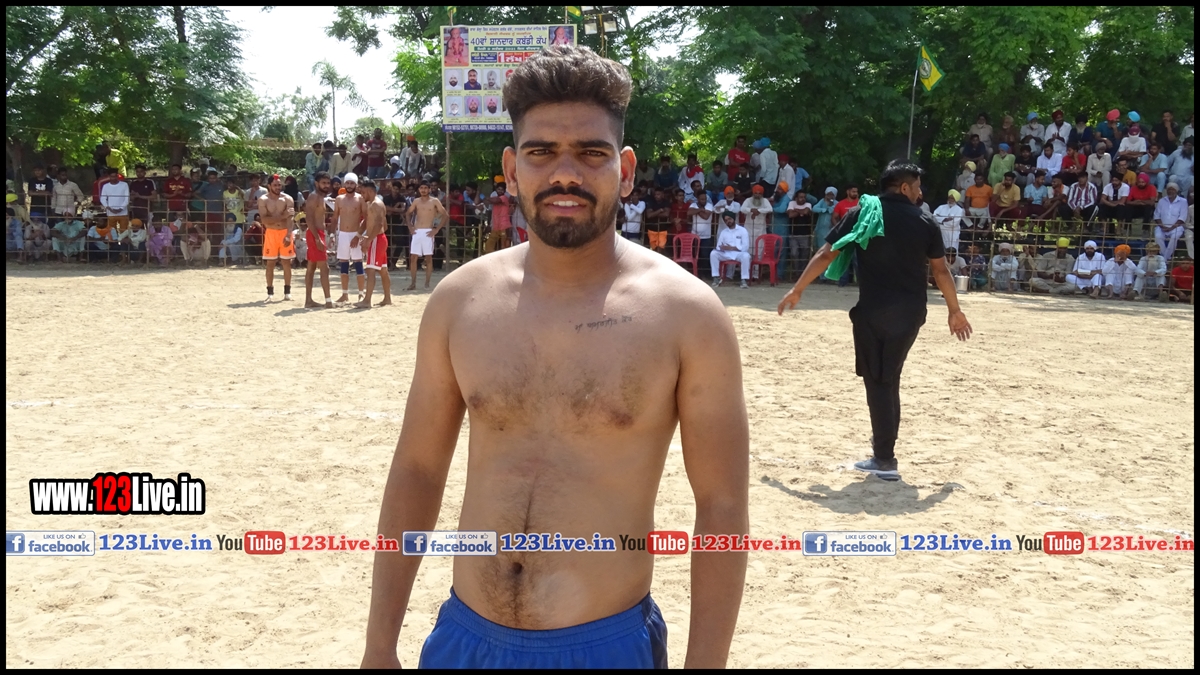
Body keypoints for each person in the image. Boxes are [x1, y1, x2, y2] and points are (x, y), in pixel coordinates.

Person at [361, 45, 748, 670]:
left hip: (605, 647)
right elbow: (417, 471)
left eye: (591, 153)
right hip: (464, 641)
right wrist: (379, 645)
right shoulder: (460, 301)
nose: (565, 174)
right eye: (541, 152)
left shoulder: (687, 315)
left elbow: (722, 506)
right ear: (512, 169)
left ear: (624, 169)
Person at [778, 159, 972, 481]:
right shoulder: (925, 221)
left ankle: (884, 459)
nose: (920, 193)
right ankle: (884, 452)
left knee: (879, 382)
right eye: (918, 187)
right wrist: (954, 310)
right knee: (890, 378)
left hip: (874, 313)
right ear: (904, 187)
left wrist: (798, 289)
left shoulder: (862, 214)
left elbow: (827, 254)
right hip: (911, 314)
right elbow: (940, 271)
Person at [354, 178, 392, 308]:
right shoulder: (372, 204)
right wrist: (363, 235)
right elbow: (379, 224)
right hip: (378, 238)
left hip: (376, 239)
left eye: (363, 192)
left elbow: (380, 224)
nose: (362, 195)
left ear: (370, 191)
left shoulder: (377, 204)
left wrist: (369, 239)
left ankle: (367, 300)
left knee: (370, 270)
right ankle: (387, 298)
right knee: (382, 270)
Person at [258, 174, 297, 302]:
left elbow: (290, 218)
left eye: (279, 185)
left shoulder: (287, 199)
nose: (278, 187)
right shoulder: (263, 199)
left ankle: (287, 292)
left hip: (285, 231)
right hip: (271, 233)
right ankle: (270, 293)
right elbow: (264, 220)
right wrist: (282, 216)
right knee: (270, 263)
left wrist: (288, 234)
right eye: (275, 185)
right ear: (269, 186)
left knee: (286, 262)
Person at [332, 172, 367, 302]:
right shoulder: (339, 199)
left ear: (356, 185)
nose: (349, 185)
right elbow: (335, 217)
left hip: (355, 233)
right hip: (342, 234)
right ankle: (344, 294)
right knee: (343, 264)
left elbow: (366, 219)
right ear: (344, 184)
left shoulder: (360, 199)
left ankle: (361, 293)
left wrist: (358, 235)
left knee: (358, 263)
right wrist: (332, 234)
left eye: (352, 183)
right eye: (347, 183)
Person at [405, 181, 446, 290]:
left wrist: (436, 229)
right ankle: (413, 283)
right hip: (417, 231)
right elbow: (408, 213)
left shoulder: (434, 201)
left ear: (429, 189)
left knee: (428, 258)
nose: (423, 190)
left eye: (425, 188)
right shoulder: (416, 201)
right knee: (413, 257)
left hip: (428, 231)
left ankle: (427, 283)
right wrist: (410, 227)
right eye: (421, 188)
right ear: (419, 189)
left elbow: (445, 215)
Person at [710, 212, 751, 288]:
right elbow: (718, 246)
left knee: (746, 256)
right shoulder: (723, 232)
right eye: (726, 220)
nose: (728, 221)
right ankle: (716, 277)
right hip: (726, 253)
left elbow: (745, 247)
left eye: (729, 219)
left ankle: (744, 280)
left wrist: (732, 248)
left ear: (734, 219)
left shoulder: (742, 230)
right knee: (713, 253)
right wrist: (723, 248)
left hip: (738, 254)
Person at [1153, 182, 1187, 259]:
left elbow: (1182, 217)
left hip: (1176, 227)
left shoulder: (1183, 201)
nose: (1170, 191)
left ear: (1176, 191)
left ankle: (1164, 259)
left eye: (1173, 190)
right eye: (1169, 189)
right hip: (1162, 226)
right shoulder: (1162, 201)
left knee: (1174, 237)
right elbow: (1157, 215)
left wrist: (1171, 228)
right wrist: (1162, 227)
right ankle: (1167, 257)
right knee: (1158, 236)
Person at [785, 189, 813, 275]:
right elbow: (790, 215)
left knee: (804, 254)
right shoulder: (792, 203)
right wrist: (801, 212)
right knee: (794, 254)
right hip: (793, 234)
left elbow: (806, 212)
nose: (803, 199)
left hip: (805, 234)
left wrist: (796, 210)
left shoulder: (808, 204)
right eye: (801, 197)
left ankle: (802, 272)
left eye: (804, 197)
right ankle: (796, 272)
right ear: (796, 198)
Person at [687, 189, 715, 270]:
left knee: (705, 255)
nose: (704, 201)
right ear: (698, 199)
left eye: (705, 199)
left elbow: (706, 217)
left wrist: (696, 211)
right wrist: (700, 210)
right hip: (694, 235)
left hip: (706, 236)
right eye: (702, 199)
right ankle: (694, 271)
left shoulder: (709, 205)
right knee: (695, 253)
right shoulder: (693, 204)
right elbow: (689, 213)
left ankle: (705, 272)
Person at [484, 181, 513, 252]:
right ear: (496, 190)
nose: (500, 191)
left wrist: (487, 198)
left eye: (502, 189)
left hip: (504, 226)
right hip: (496, 226)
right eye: (498, 189)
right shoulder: (494, 198)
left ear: (505, 191)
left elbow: (496, 200)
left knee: (504, 246)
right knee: (489, 245)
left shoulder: (504, 198)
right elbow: (489, 202)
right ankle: (492, 257)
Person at [643, 186, 670, 253]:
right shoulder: (651, 202)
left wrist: (654, 213)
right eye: (655, 194)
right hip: (652, 229)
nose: (656, 196)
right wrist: (659, 210)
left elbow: (666, 214)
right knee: (654, 249)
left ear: (662, 194)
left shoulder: (666, 202)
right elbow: (649, 215)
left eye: (658, 194)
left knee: (660, 248)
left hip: (662, 229)